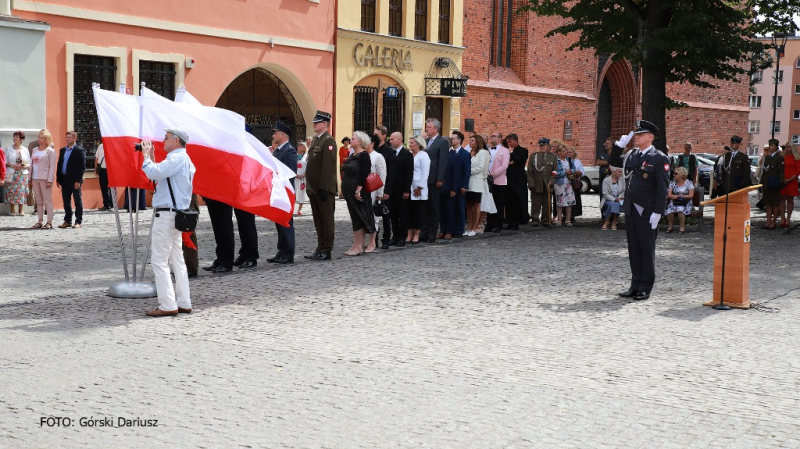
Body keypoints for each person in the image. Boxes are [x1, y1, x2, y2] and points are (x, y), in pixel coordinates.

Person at [139, 128, 195, 317]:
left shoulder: (176, 159)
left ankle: (167, 304)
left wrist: (146, 157)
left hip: (166, 216)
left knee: (160, 261)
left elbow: (153, 174)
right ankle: (183, 301)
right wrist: (153, 157)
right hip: (176, 215)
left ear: (176, 140)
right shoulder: (184, 159)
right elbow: (162, 176)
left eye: (166, 138)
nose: (163, 141)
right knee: (177, 261)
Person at [618, 120, 670, 301]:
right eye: (636, 134)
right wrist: (619, 146)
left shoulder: (659, 158)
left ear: (650, 137)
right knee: (634, 249)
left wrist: (658, 212)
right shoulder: (632, 155)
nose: (636, 137)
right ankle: (635, 284)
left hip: (647, 211)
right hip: (632, 208)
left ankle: (645, 287)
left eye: (640, 135)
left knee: (647, 250)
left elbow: (662, 188)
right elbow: (613, 162)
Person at [304, 111, 338, 261]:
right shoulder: (317, 140)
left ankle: (326, 249)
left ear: (324, 124)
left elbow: (328, 167)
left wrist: (324, 187)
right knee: (318, 220)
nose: (314, 124)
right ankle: (320, 247)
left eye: (316, 123)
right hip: (314, 188)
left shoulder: (328, 141)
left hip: (323, 188)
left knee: (326, 220)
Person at [267, 121, 298, 264]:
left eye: (275, 133)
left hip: (284, 191)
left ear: (283, 135)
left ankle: (288, 253)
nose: (273, 135)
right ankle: (282, 250)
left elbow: (290, 173)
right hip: (278, 190)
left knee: (286, 221)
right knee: (279, 221)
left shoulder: (289, 150)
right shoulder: (279, 150)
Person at [341, 131, 375, 256]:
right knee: (355, 217)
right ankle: (356, 244)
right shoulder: (352, 154)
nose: (350, 140)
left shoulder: (364, 155)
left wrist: (358, 189)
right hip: (349, 190)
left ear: (360, 141)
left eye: (353, 138)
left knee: (360, 217)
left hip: (358, 192)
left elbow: (364, 173)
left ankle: (359, 246)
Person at [423, 119, 450, 243]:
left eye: (429, 127)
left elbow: (443, 161)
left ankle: (432, 233)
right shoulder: (427, 141)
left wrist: (440, 178)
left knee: (434, 206)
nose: (427, 129)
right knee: (426, 206)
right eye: (426, 127)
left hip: (434, 179)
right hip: (425, 178)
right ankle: (425, 231)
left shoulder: (442, 142)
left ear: (436, 128)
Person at [387, 131, 414, 247]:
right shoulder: (391, 153)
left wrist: (406, 190)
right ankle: (395, 235)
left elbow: (409, 174)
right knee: (392, 214)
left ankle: (403, 236)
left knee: (402, 214)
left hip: (402, 189)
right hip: (391, 189)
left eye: (392, 139)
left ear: (399, 139)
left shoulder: (406, 154)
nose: (390, 141)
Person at [55, 131, 86, 228]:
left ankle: (78, 221)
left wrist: (78, 180)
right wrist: (58, 178)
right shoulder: (63, 150)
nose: (67, 139)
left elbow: (82, 167)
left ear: (74, 138)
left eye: (69, 137)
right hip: (64, 179)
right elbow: (60, 164)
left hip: (74, 180)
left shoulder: (79, 150)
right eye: (66, 137)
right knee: (66, 201)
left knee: (77, 201)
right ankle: (67, 220)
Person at [29, 129, 57, 229]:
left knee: (47, 200)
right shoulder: (35, 150)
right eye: (39, 137)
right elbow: (31, 164)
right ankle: (39, 221)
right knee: (39, 201)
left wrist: (50, 180)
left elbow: (52, 167)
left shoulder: (50, 151)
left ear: (46, 140)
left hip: (45, 178)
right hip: (35, 177)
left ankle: (49, 221)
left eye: (41, 138)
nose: (39, 139)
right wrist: (30, 178)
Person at [527, 137, 557, 227]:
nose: (542, 147)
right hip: (537, 183)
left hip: (548, 183)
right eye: (540, 145)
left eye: (544, 145)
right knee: (536, 203)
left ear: (548, 146)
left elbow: (555, 171)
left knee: (547, 203)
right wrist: (531, 183)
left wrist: (552, 180)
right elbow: (529, 171)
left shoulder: (553, 157)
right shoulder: (534, 156)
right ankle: (535, 219)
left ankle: (546, 219)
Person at [374, 127, 395, 248]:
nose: (375, 136)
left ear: (383, 136)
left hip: (384, 187)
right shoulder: (373, 149)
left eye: (377, 134)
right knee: (374, 214)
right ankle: (374, 238)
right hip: (373, 187)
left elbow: (391, 173)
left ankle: (386, 238)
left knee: (385, 214)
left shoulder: (389, 151)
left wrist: (387, 190)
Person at [465, 134, 490, 236]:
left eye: (472, 141)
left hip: (476, 181)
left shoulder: (482, 153)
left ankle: (475, 227)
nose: (470, 142)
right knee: (468, 205)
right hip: (468, 182)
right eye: (470, 140)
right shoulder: (469, 152)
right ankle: (469, 226)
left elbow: (480, 167)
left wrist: (467, 171)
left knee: (476, 204)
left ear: (477, 142)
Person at [485, 131, 509, 233]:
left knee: (499, 203)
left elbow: (504, 165)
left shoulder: (504, 150)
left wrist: (493, 174)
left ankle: (499, 224)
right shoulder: (488, 150)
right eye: (491, 136)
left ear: (500, 138)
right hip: (488, 181)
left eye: (494, 136)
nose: (491, 138)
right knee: (490, 203)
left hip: (499, 181)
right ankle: (489, 224)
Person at [408, 135, 430, 243]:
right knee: (410, 211)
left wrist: (420, 187)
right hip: (409, 185)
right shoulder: (409, 155)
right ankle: (409, 233)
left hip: (419, 187)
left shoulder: (423, 155)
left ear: (418, 144)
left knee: (418, 211)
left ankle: (417, 234)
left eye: (412, 142)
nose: (410, 144)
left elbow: (425, 172)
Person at [504, 133, 529, 230]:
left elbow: (519, 160)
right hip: (509, 178)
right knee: (509, 201)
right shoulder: (507, 152)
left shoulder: (523, 151)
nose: (509, 144)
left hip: (519, 179)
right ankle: (509, 220)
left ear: (515, 140)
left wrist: (512, 155)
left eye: (510, 142)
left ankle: (517, 221)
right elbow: (506, 163)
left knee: (518, 200)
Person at [366, 134, 386, 252]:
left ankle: (372, 241)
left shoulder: (378, 157)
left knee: (374, 216)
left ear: (372, 143)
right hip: (364, 188)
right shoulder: (363, 155)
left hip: (373, 188)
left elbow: (382, 175)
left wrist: (380, 192)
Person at [760, 139, 784, 230]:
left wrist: (781, 182)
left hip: (775, 182)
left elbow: (781, 171)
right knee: (768, 203)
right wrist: (762, 182)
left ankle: (773, 222)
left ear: (777, 146)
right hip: (767, 182)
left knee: (775, 203)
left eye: (772, 145)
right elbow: (765, 171)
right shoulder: (767, 157)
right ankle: (768, 221)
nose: (770, 147)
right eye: (770, 145)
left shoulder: (779, 157)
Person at [5, 131, 31, 216]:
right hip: (12, 173)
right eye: (14, 137)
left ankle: (21, 209)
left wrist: (25, 165)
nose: (14, 138)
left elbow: (29, 162)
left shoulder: (25, 150)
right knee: (11, 190)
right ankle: (12, 209)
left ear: (21, 139)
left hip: (22, 173)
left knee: (22, 191)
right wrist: (12, 165)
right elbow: (4, 161)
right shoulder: (8, 149)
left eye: (16, 137)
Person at [665, 166, 695, 234]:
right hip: (675, 201)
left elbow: (691, 195)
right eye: (674, 173)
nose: (674, 175)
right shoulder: (672, 183)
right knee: (670, 209)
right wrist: (676, 196)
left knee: (680, 209)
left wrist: (683, 196)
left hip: (685, 202)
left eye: (676, 173)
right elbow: (669, 195)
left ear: (681, 174)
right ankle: (670, 226)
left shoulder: (689, 183)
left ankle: (682, 227)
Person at [553, 144, 576, 226]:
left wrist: (571, 171)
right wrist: (564, 172)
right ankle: (559, 219)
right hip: (559, 183)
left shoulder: (569, 160)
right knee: (560, 202)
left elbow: (574, 168)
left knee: (569, 201)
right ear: (559, 152)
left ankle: (568, 220)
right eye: (563, 151)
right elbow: (554, 173)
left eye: (566, 151)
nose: (565, 152)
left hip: (568, 183)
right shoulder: (556, 161)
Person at [779, 141, 799, 227]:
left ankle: (788, 218)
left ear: (792, 148)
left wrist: (790, 179)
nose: (787, 149)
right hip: (782, 180)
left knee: (790, 199)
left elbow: (798, 171)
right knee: (782, 199)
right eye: (786, 147)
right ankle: (782, 218)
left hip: (792, 181)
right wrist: (782, 179)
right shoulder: (782, 157)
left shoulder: (797, 158)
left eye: (789, 147)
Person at [600, 166, 625, 231]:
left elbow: (623, 191)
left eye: (621, 172)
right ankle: (614, 221)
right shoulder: (606, 180)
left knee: (615, 204)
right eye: (619, 172)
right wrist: (614, 199)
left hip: (619, 200)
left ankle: (607, 222)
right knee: (614, 204)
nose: (621, 173)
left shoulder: (622, 180)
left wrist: (619, 198)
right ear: (613, 172)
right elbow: (605, 193)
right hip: (607, 200)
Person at [566, 146, 584, 223]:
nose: (568, 154)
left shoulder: (577, 161)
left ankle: (572, 215)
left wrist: (574, 171)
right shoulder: (564, 161)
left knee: (574, 199)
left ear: (574, 153)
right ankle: (565, 215)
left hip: (574, 182)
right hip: (565, 182)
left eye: (570, 152)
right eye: (567, 152)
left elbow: (582, 173)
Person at [94, 142, 113, 211]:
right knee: (103, 188)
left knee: (112, 188)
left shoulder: (113, 145)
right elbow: (97, 158)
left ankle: (112, 204)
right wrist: (95, 169)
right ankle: (106, 204)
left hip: (111, 170)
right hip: (102, 170)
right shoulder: (100, 146)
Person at [295, 142, 309, 216]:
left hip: (303, 177)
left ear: (304, 148)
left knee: (301, 192)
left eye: (301, 146)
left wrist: (304, 174)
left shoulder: (307, 156)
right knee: (293, 192)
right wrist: (295, 174)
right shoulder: (294, 156)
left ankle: (299, 209)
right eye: (298, 146)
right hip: (295, 176)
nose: (299, 147)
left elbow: (309, 166)